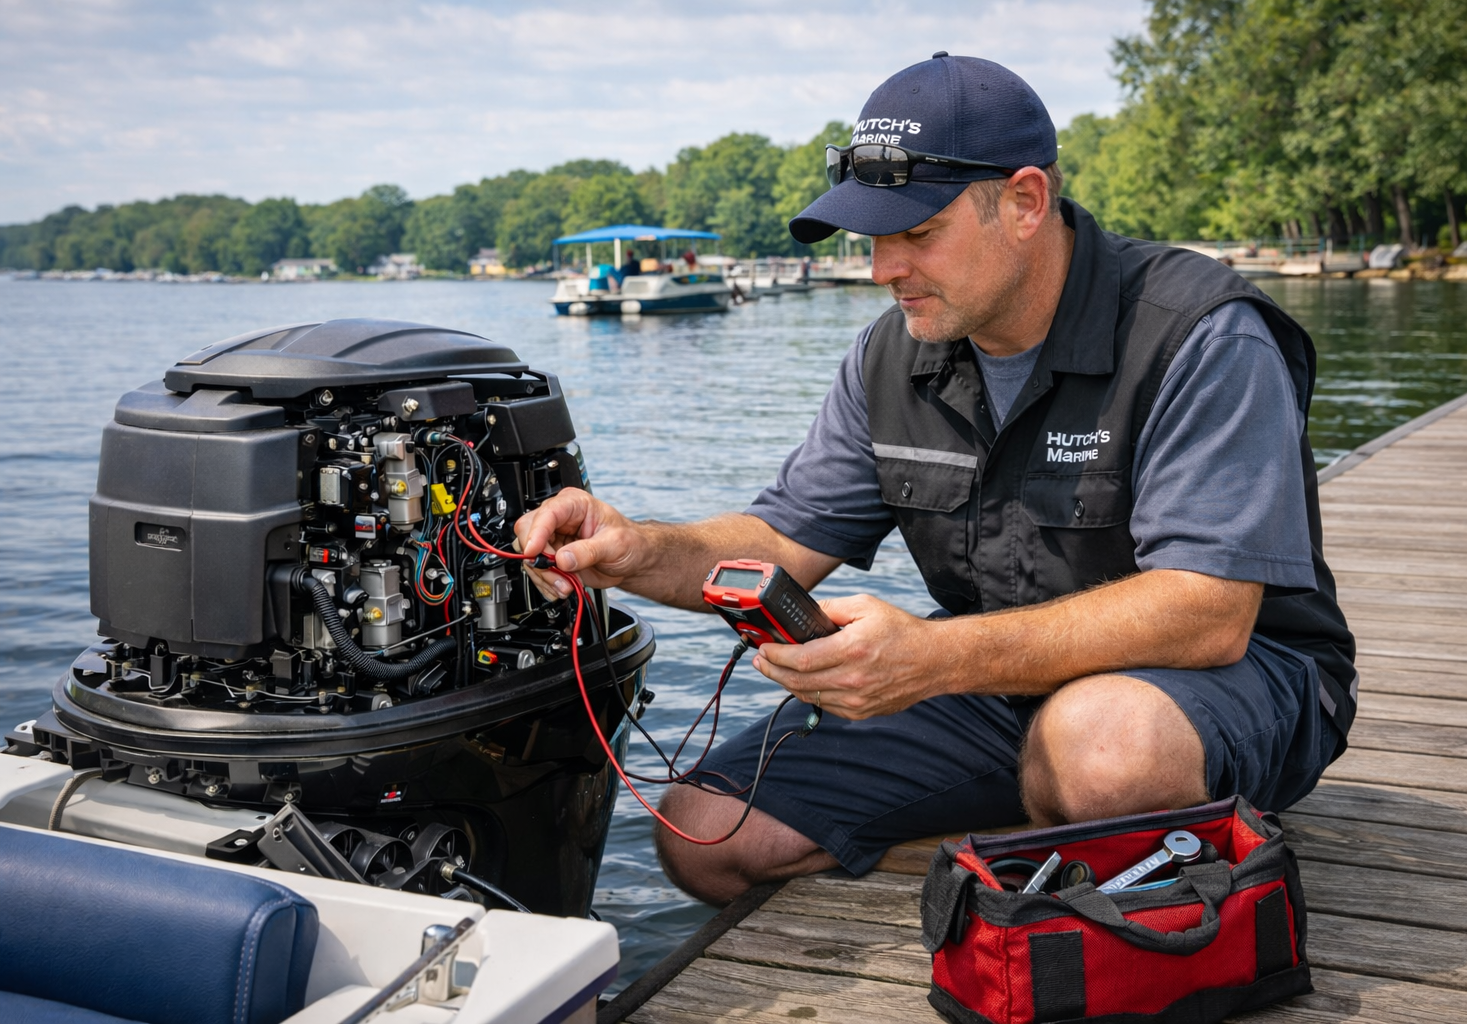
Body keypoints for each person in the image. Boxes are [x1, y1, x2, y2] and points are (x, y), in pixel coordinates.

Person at [515, 53, 1356, 907]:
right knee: (706, 832)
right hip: (1000, 677)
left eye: (918, 233)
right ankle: (1035, 856)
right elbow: (781, 541)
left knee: (1105, 751)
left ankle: (1081, 834)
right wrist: (633, 550)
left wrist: (934, 659)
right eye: (873, 236)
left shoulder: (1200, 334)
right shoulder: (892, 353)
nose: (883, 268)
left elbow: (1208, 612)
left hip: (1241, 677)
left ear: (1026, 202)